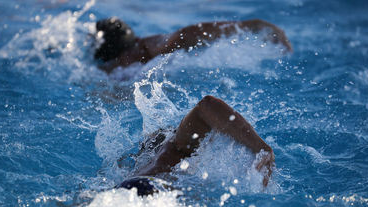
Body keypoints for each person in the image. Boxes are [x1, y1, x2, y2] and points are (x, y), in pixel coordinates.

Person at [116, 95, 275, 196]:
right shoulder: (175, 145)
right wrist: (262, 148)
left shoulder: (143, 166)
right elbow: (207, 105)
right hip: (148, 188)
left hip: (123, 192)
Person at [94, 17, 292, 72]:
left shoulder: (155, 47)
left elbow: (190, 32)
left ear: (137, 44)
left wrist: (253, 25)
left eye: (127, 56)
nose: (125, 62)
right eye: (118, 60)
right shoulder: (110, 67)